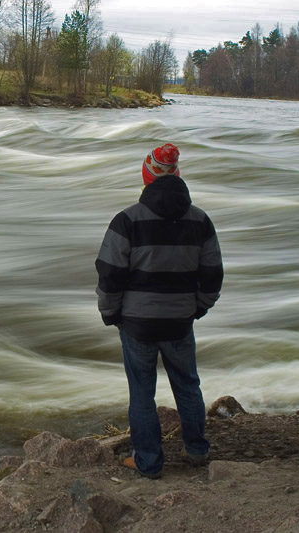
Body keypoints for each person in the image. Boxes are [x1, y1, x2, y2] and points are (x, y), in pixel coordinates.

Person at [95, 143, 223, 479]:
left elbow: (110, 275)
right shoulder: (200, 221)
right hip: (180, 321)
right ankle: (196, 449)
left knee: (141, 392)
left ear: (146, 177)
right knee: (187, 385)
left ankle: (148, 462)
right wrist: (197, 308)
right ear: (177, 176)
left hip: (137, 323)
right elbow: (212, 275)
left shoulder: (126, 221)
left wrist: (111, 313)